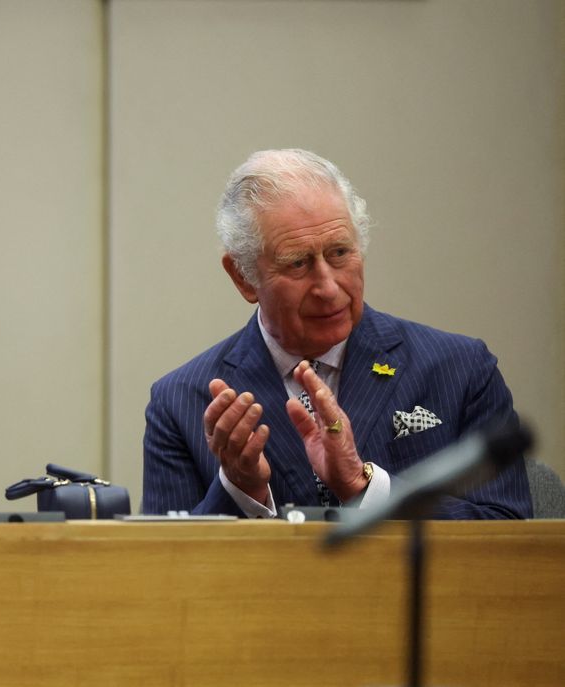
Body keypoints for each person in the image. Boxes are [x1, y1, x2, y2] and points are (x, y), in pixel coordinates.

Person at [142, 148, 531, 519]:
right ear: (243, 277)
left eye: (340, 253)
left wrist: (363, 486)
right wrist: (240, 490)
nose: (328, 287)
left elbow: (512, 545)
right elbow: (161, 572)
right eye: (298, 263)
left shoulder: (460, 370)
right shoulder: (180, 401)